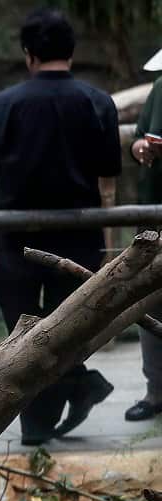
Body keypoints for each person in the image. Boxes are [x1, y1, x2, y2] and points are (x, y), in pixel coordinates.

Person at [0, 8, 121, 445]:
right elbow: (109, 165)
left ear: (27, 55)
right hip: (79, 234)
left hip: (15, 235)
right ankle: (72, 389)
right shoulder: (99, 102)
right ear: (72, 53)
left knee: (23, 332)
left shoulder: (5, 104)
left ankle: (43, 422)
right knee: (65, 326)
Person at [125, 50, 162, 423]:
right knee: (150, 302)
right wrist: (141, 148)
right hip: (154, 214)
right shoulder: (159, 88)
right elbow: (138, 138)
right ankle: (156, 391)